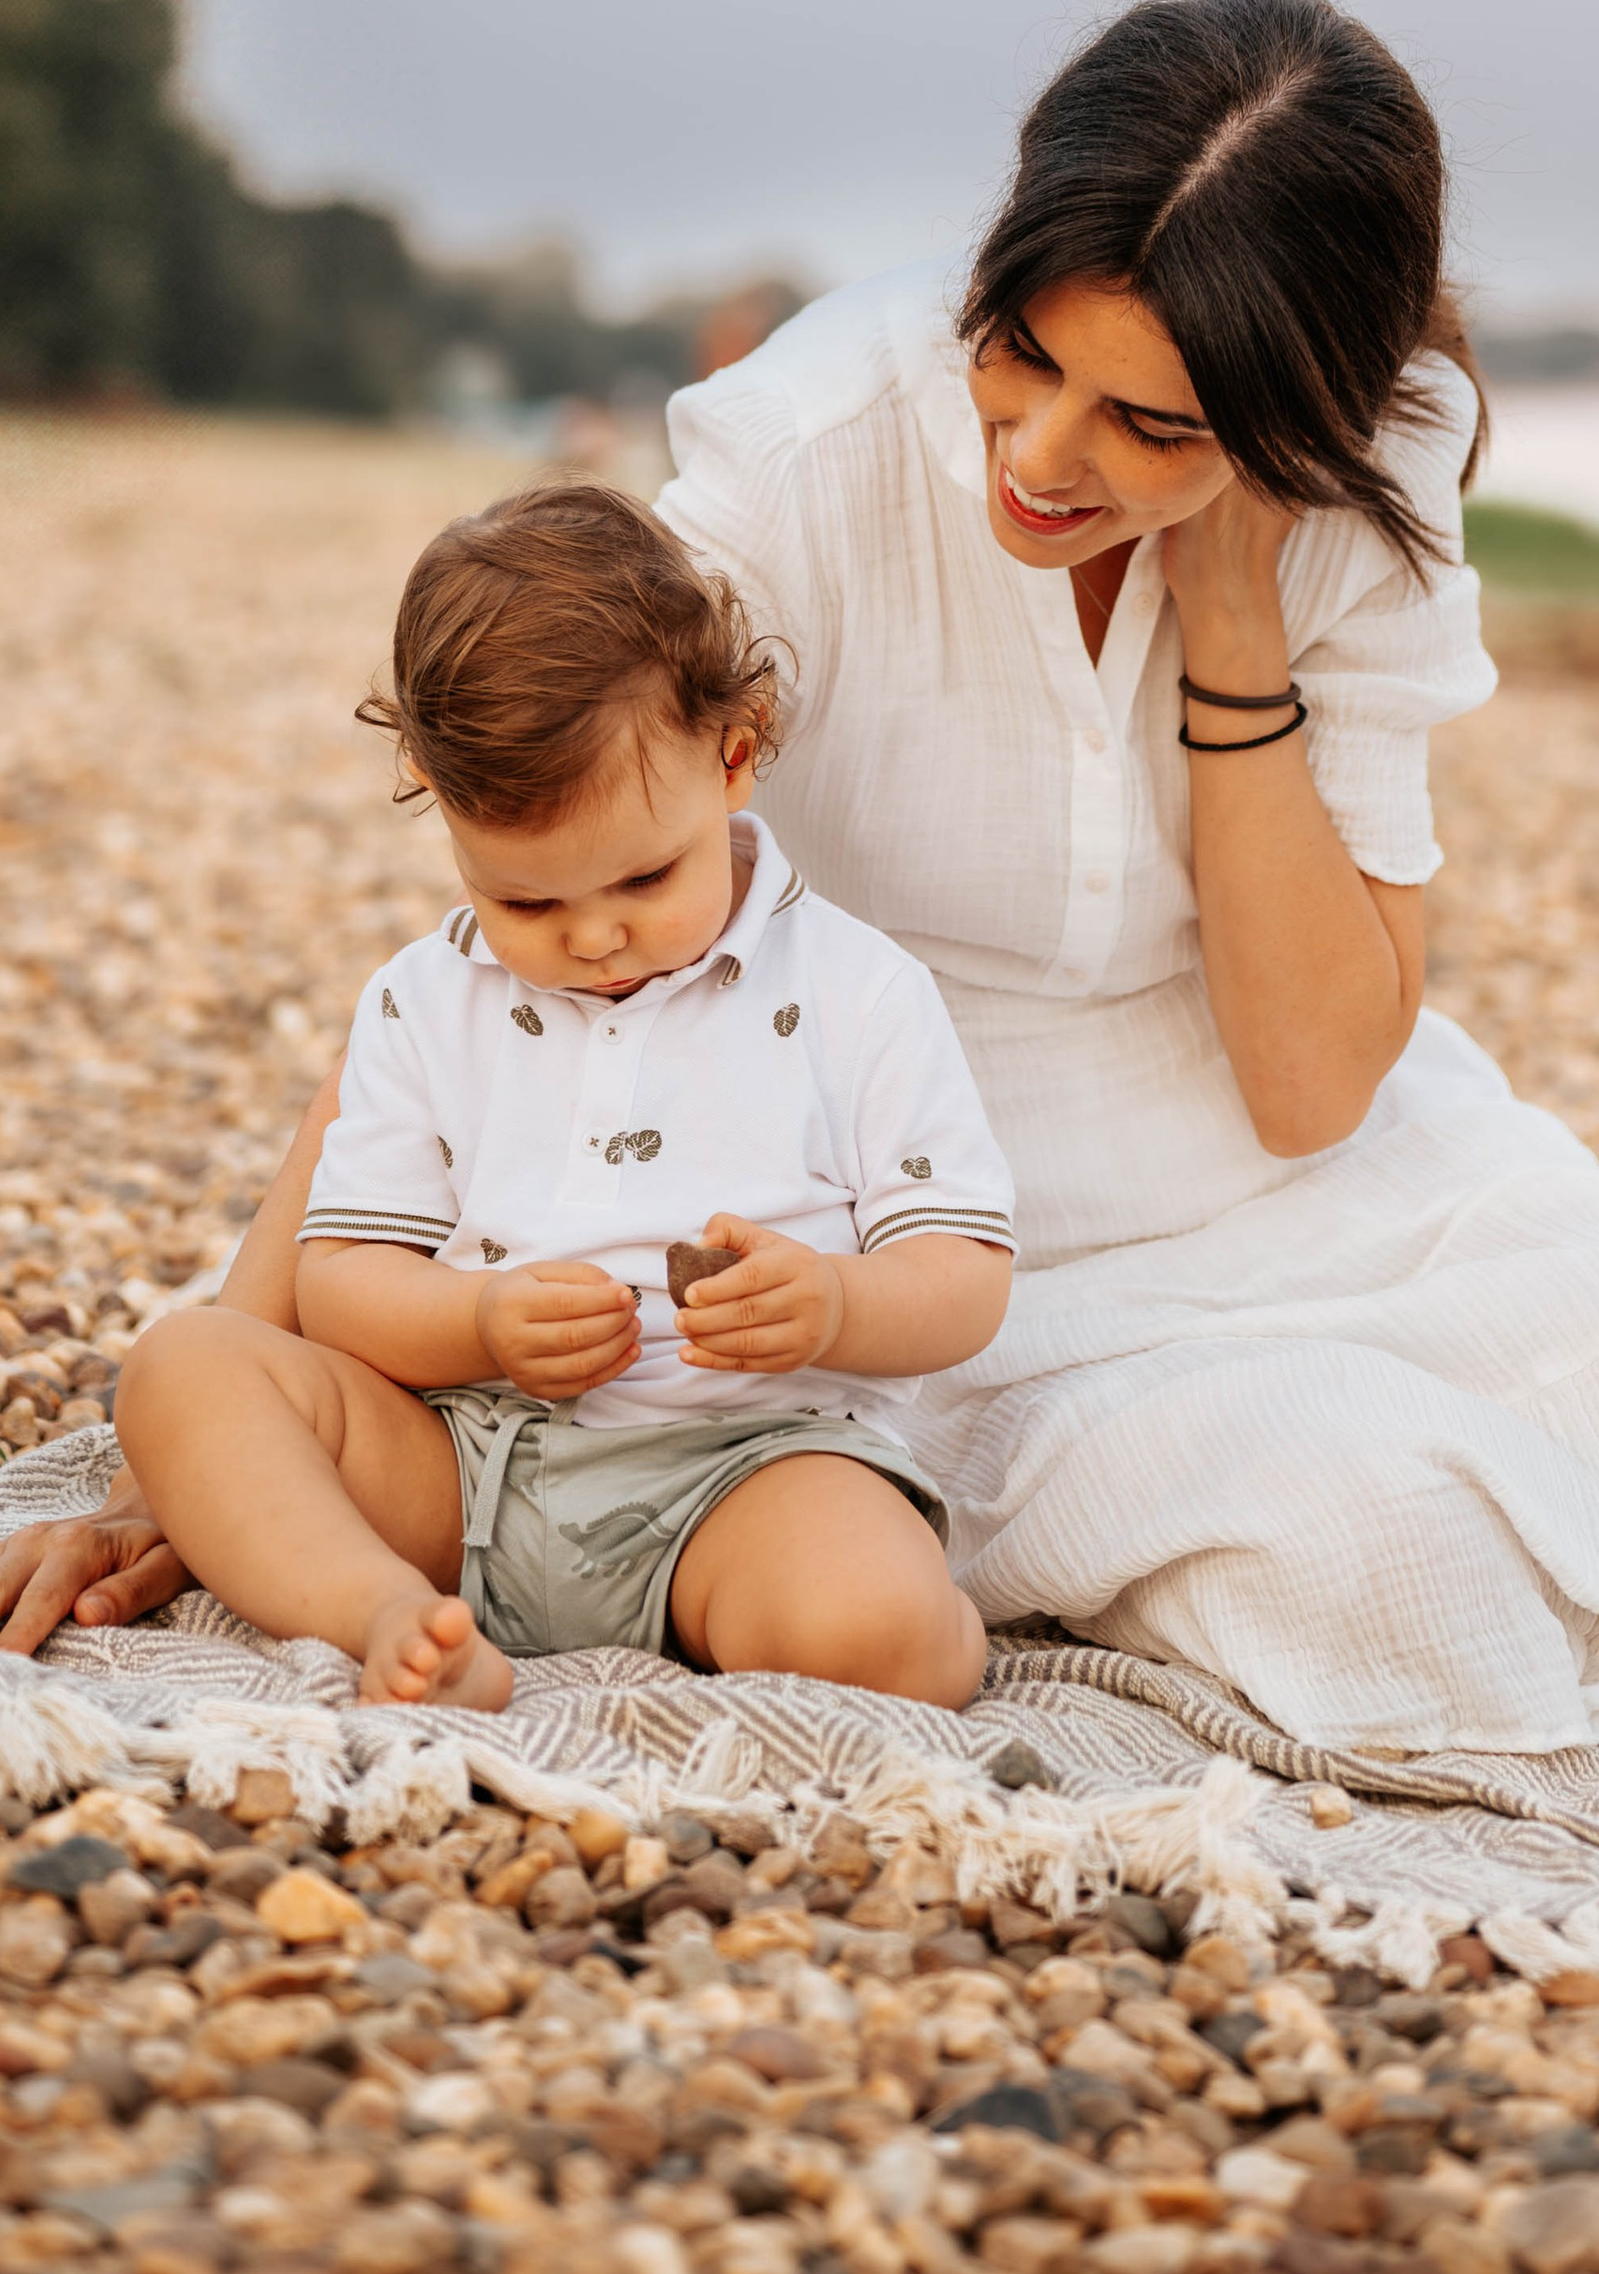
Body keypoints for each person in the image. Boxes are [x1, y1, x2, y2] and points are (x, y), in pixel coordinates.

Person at [0, 0, 1599, 1749]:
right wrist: (208, 1419)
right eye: (1025, 353)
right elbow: (509, 937)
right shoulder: (801, 455)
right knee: (1379, 1586)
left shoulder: (1356, 490)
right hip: (889, 1191)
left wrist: (1231, 618)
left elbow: (1313, 1084)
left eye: (1153, 428)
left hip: (1290, 1154)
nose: (1045, 459)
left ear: (1301, 415)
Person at [105, 486, 1013, 1708]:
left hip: (743, 1473)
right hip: (463, 1466)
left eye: (645, 875)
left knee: (870, 1629)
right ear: (435, 796)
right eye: (525, 901)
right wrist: (477, 1325)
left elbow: (964, 1276)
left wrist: (835, 1303)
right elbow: (337, 1286)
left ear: (736, 752)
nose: (595, 938)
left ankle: (907, 1626)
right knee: (187, 1369)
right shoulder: (425, 1002)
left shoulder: (859, 992)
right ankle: (383, 1614)